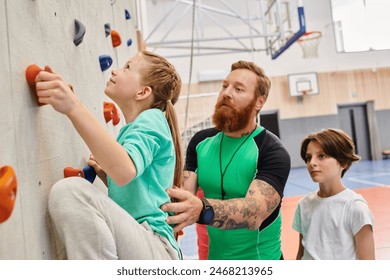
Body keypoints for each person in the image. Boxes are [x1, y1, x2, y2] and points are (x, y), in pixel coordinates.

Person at [35, 51, 183, 260]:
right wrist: (107, 175)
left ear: (142, 92)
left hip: (157, 247)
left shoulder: (152, 118)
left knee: (71, 191)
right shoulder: (134, 128)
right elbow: (132, 182)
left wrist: (73, 106)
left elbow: (124, 171)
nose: (115, 70)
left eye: (127, 68)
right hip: (147, 245)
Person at [161, 60, 291, 260]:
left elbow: (255, 212)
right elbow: (182, 195)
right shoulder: (200, 141)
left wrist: (202, 210)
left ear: (259, 102)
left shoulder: (271, 151)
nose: (226, 93)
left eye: (238, 89)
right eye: (225, 86)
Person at [293, 128, 375, 260]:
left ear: (343, 162)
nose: (312, 163)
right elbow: (301, 254)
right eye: (309, 157)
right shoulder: (304, 204)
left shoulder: (355, 207)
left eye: (321, 156)